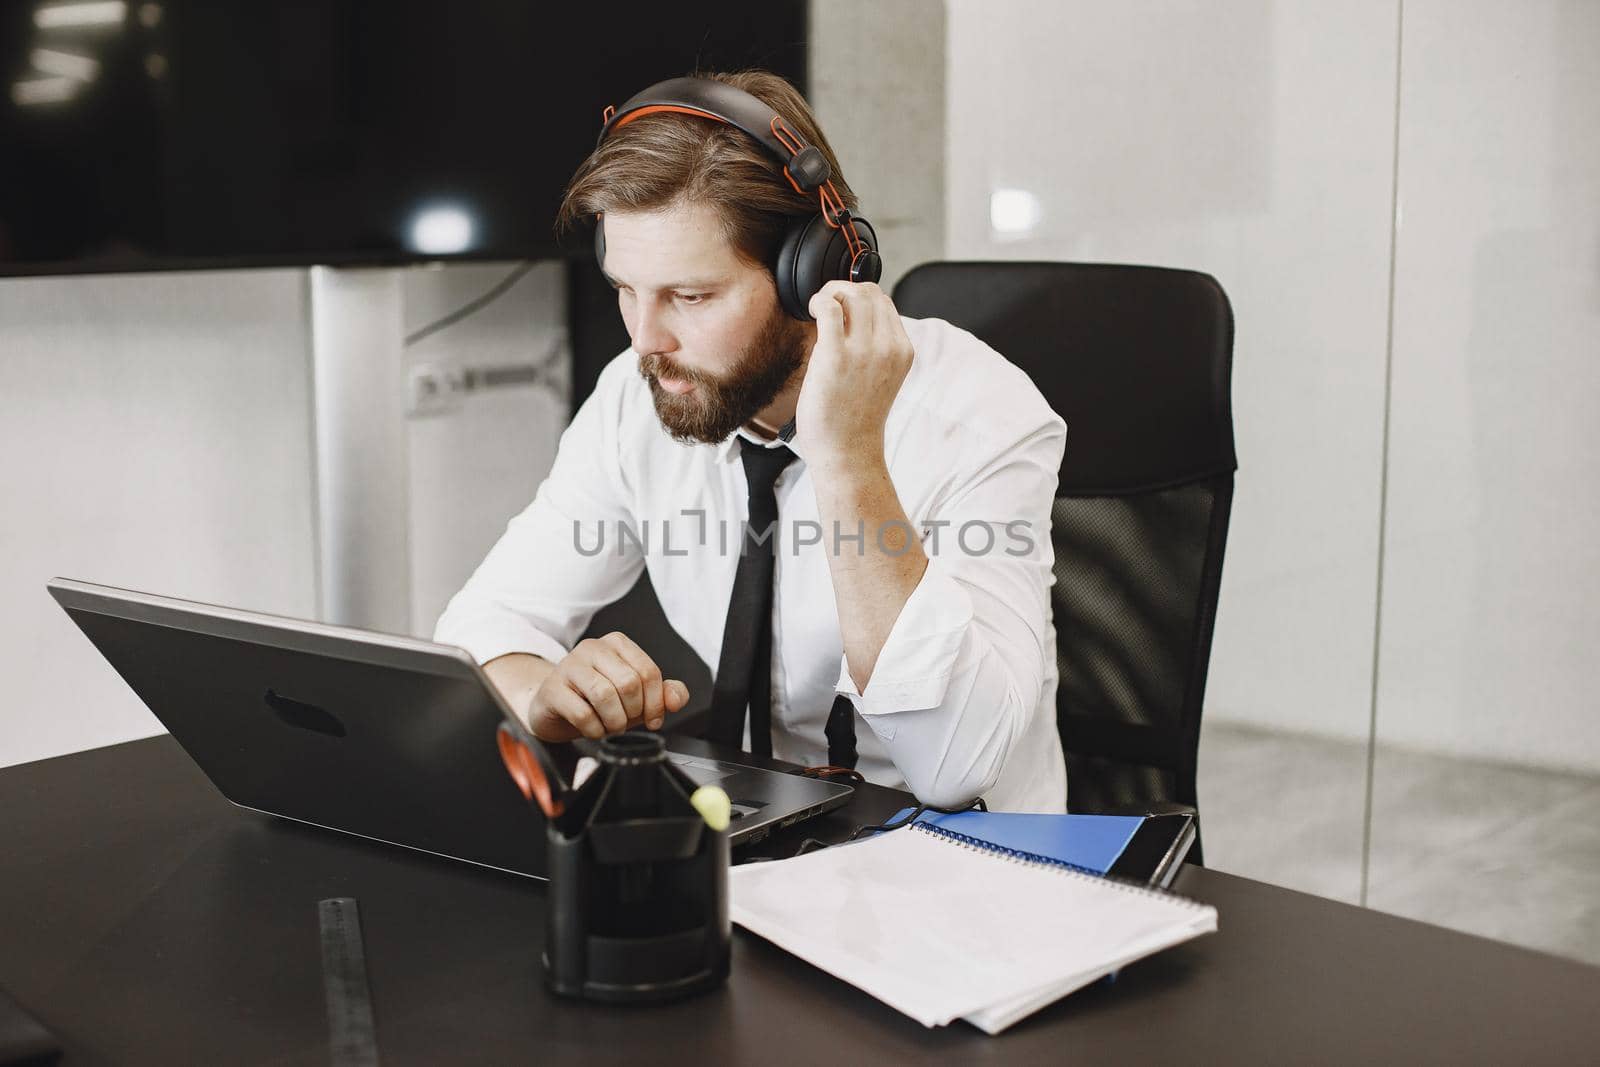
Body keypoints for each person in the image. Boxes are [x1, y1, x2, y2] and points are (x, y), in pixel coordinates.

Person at [434, 69, 1067, 813]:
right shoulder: (638, 393)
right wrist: (546, 693)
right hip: (758, 840)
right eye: (624, 289)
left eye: (691, 296)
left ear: (814, 274)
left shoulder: (981, 414)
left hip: (967, 866)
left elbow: (957, 764)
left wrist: (849, 455)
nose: (645, 339)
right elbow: (479, 631)